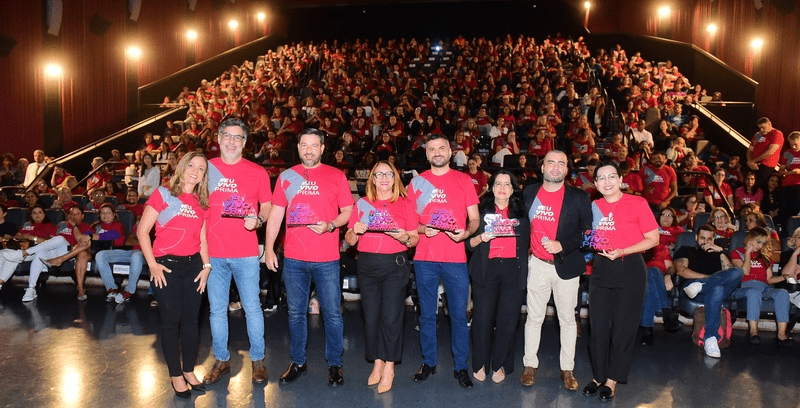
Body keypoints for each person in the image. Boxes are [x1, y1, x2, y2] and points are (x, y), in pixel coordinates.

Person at [265, 128, 354, 387]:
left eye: (314, 145)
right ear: (298, 147)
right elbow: (276, 214)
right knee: (295, 313)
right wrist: (269, 248)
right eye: (304, 145)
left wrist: (331, 225)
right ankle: (298, 361)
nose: (308, 150)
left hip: (327, 258)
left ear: (322, 148)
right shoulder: (286, 177)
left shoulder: (336, 176)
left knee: (332, 314)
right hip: (294, 258)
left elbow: (348, 210)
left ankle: (335, 364)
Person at [406, 133, 480, 389]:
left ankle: (461, 367)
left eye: (441, 148)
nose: (437, 152)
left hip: (455, 259)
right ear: (426, 154)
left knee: (459, 316)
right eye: (432, 149)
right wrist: (422, 229)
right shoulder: (417, 183)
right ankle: (429, 362)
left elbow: (474, 219)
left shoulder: (464, 180)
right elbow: (409, 223)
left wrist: (466, 233)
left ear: (450, 152)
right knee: (426, 315)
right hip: (424, 258)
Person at [203, 118, 272, 386]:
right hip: (213, 253)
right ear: (219, 139)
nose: (232, 141)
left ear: (244, 142)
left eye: (238, 137)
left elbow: (267, 205)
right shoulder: (205, 168)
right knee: (217, 311)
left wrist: (259, 220)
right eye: (227, 136)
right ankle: (221, 360)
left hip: (245, 252)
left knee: (252, 308)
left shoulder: (257, 171)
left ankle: (258, 360)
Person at [137, 152, 212, 398]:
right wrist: (152, 265)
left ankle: (189, 370)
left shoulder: (202, 202)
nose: (195, 171)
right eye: (191, 165)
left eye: (201, 169)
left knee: (191, 321)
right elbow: (142, 231)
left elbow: (202, 239)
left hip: (193, 267)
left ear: (204, 176)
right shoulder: (163, 194)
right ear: (182, 167)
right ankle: (176, 375)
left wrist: (207, 267)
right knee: (171, 322)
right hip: (166, 266)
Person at [583, 162, 659, 401]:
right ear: (596, 184)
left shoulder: (638, 203)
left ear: (620, 180)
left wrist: (623, 250)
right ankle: (598, 376)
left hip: (630, 268)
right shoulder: (593, 206)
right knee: (597, 328)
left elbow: (653, 239)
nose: (607, 182)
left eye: (611, 176)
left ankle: (612, 380)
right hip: (601, 269)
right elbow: (589, 236)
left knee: (623, 329)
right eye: (601, 178)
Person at [518, 150, 591, 390]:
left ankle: (567, 369)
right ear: (542, 168)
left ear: (567, 170)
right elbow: (521, 225)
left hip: (566, 265)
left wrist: (563, 245)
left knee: (568, 320)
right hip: (537, 264)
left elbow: (587, 233)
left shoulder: (579, 197)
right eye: (551, 162)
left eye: (561, 163)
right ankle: (529, 365)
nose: (556, 167)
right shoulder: (529, 193)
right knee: (534, 318)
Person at [344, 161, 419, 393]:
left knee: (391, 317)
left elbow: (414, 239)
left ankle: (390, 367)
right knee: (371, 317)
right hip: (367, 266)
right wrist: (354, 232)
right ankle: (377, 361)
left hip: (394, 266)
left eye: (388, 174)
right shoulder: (362, 204)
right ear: (373, 180)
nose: (384, 178)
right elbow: (349, 239)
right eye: (379, 174)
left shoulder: (406, 204)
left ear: (395, 178)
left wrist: (403, 237)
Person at [465, 170, 529, 384]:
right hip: (486, 270)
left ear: (513, 189)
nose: (502, 188)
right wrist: (481, 238)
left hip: (513, 271)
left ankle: (500, 363)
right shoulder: (480, 213)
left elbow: (529, 244)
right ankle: (480, 363)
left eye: (507, 184)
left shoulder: (522, 214)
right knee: (482, 320)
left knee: (508, 321)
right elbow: (467, 244)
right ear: (491, 188)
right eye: (498, 183)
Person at [674, 225, 744, 358]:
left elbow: (731, 272)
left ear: (714, 239)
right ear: (696, 237)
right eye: (702, 238)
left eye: (709, 239)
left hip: (713, 291)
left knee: (738, 272)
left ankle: (703, 286)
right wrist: (710, 280)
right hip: (692, 289)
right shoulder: (686, 250)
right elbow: (682, 271)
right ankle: (710, 337)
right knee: (717, 287)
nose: (705, 242)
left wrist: (721, 252)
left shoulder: (719, 254)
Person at [730, 227, 793, 347]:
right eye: (758, 242)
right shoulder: (737, 253)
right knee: (753, 292)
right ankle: (753, 332)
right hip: (743, 288)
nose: (760, 246)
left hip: (764, 288)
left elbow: (769, 280)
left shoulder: (764, 257)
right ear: (750, 239)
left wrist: (784, 277)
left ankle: (781, 334)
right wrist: (747, 253)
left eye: (763, 243)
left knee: (782, 293)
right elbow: (745, 272)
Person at [639, 207, 684, 345]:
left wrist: (668, 276)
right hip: (640, 277)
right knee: (651, 273)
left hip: (659, 279)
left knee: (651, 280)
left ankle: (647, 331)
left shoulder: (662, 248)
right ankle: (667, 313)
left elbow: (670, 267)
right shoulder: (639, 247)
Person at [0, 204, 58, 299]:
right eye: (34, 213)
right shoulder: (27, 225)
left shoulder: (50, 226)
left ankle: (15, 257)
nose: (37, 215)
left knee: (6, 255)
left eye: (39, 212)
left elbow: (50, 242)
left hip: (38, 250)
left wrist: (33, 238)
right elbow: (16, 236)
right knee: (10, 257)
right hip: (22, 249)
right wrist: (22, 237)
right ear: (31, 215)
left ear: (44, 214)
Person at [95, 221, 145, 304]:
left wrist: (138, 239)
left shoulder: (157, 225)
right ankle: (112, 289)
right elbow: (128, 241)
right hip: (131, 251)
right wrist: (142, 240)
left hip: (144, 254)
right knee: (100, 255)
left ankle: (129, 291)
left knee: (136, 257)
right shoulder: (139, 223)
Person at [746, 117, 783, 189]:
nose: (761, 130)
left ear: (769, 124)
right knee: (750, 186)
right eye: (760, 128)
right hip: (754, 164)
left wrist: (753, 161)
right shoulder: (757, 134)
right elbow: (750, 150)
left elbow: (771, 151)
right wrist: (750, 161)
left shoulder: (776, 134)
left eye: (763, 127)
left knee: (760, 187)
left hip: (767, 165)